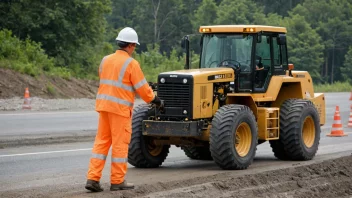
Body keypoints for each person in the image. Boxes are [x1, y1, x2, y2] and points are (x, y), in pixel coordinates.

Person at [85, 27, 163, 192]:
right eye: (134, 46)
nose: (134, 49)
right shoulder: (131, 64)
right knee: (120, 144)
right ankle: (117, 181)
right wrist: (155, 100)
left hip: (104, 107)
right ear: (131, 45)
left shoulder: (105, 60)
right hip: (119, 110)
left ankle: (92, 178)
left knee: (101, 143)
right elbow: (142, 88)